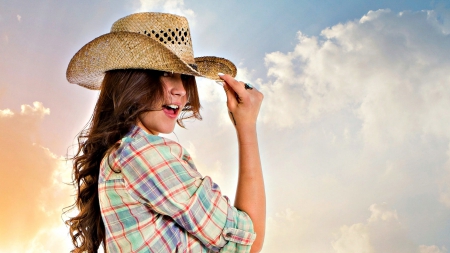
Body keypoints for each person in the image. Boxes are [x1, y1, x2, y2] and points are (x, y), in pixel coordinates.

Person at [65, 12, 265, 253]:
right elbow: (247, 243)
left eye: (184, 76)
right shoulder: (142, 153)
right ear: (131, 80)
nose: (181, 90)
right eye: (164, 73)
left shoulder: (122, 155)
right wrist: (247, 125)